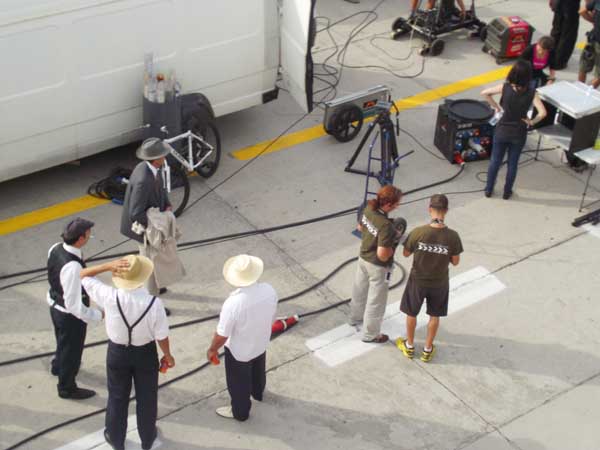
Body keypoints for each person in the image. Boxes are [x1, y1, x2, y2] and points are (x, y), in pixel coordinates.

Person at [80, 254, 174, 450]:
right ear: (142, 278)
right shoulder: (154, 303)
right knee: (147, 397)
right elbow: (162, 335)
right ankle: (147, 438)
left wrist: (108, 266)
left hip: (117, 353)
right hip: (145, 354)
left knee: (117, 396)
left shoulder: (109, 296)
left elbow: (82, 275)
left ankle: (116, 438)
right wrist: (167, 355)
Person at [207, 254, 278, 421]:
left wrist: (212, 349)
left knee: (238, 383)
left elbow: (222, 334)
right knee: (258, 370)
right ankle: (258, 392)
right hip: (261, 342)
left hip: (239, 351)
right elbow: (273, 316)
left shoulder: (233, 303)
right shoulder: (269, 290)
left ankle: (240, 412)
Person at [396, 194, 462, 362]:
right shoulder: (453, 236)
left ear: (429, 209)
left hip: (417, 281)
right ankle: (427, 349)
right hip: (439, 282)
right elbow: (455, 262)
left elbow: (405, 253)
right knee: (434, 315)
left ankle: (409, 346)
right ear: (446, 211)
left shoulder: (418, 232)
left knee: (412, 313)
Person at [47, 217, 103, 400]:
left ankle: (57, 366)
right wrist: (96, 315)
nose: (89, 236)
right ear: (80, 238)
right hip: (69, 316)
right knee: (72, 351)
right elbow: (73, 305)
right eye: (88, 234)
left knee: (62, 341)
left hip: (54, 305)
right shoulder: (72, 266)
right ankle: (67, 387)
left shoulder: (55, 248)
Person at [481, 60, 547, 199]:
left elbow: (485, 93)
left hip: (502, 129)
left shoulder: (505, 87)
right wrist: (531, 121)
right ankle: (507, 192)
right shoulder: (532, 92)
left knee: (495, 161)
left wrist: (497, 107)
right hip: (519, 132)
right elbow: (543, 113)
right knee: (513, 164)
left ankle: (488, 189)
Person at [120, 138, 173, 300]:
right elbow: (136, 212)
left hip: (150, 224)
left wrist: (167, 204)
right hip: (145, 231)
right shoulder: (144, 180)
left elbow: (161, 188)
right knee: (148, 264)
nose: (165, 157)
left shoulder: (149, 168)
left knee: (155, 259)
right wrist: (154, 228)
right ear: (156, 158)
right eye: (162, 155)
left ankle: (156, 285)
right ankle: (151, 298)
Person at [349, 185, 403, 343]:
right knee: (376, 302)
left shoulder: (368, 208)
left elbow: (360, 227)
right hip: (378, 267)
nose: (397, 206)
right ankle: (370, 334)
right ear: (388, 204)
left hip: (363, 258)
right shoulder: (385, 226)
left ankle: (354, 318)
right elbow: (382, 254)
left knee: (359, 291)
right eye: (396, 204)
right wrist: (393, 245)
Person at [550, 0, 581, 70]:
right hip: (571, 5)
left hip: (559, 3)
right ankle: (558, 62)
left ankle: (550, 58)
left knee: (556, 30)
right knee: (568, 35)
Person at [578, 0, 600, 89]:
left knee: (583, 66)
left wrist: (594, 21)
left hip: (592, 39)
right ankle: (588, 92)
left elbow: (581, 11)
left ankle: (579, 89)